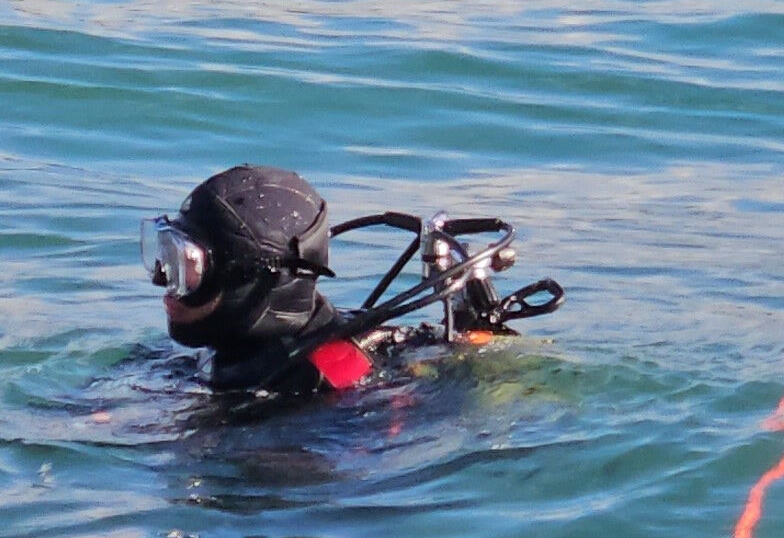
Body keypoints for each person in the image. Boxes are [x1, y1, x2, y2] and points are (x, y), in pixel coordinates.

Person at [147, 164, 559, 402]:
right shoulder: (232, 352)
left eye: (187, 267)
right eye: (163, 255)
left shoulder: (327, 387)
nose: (165, 283)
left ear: (253, 279)